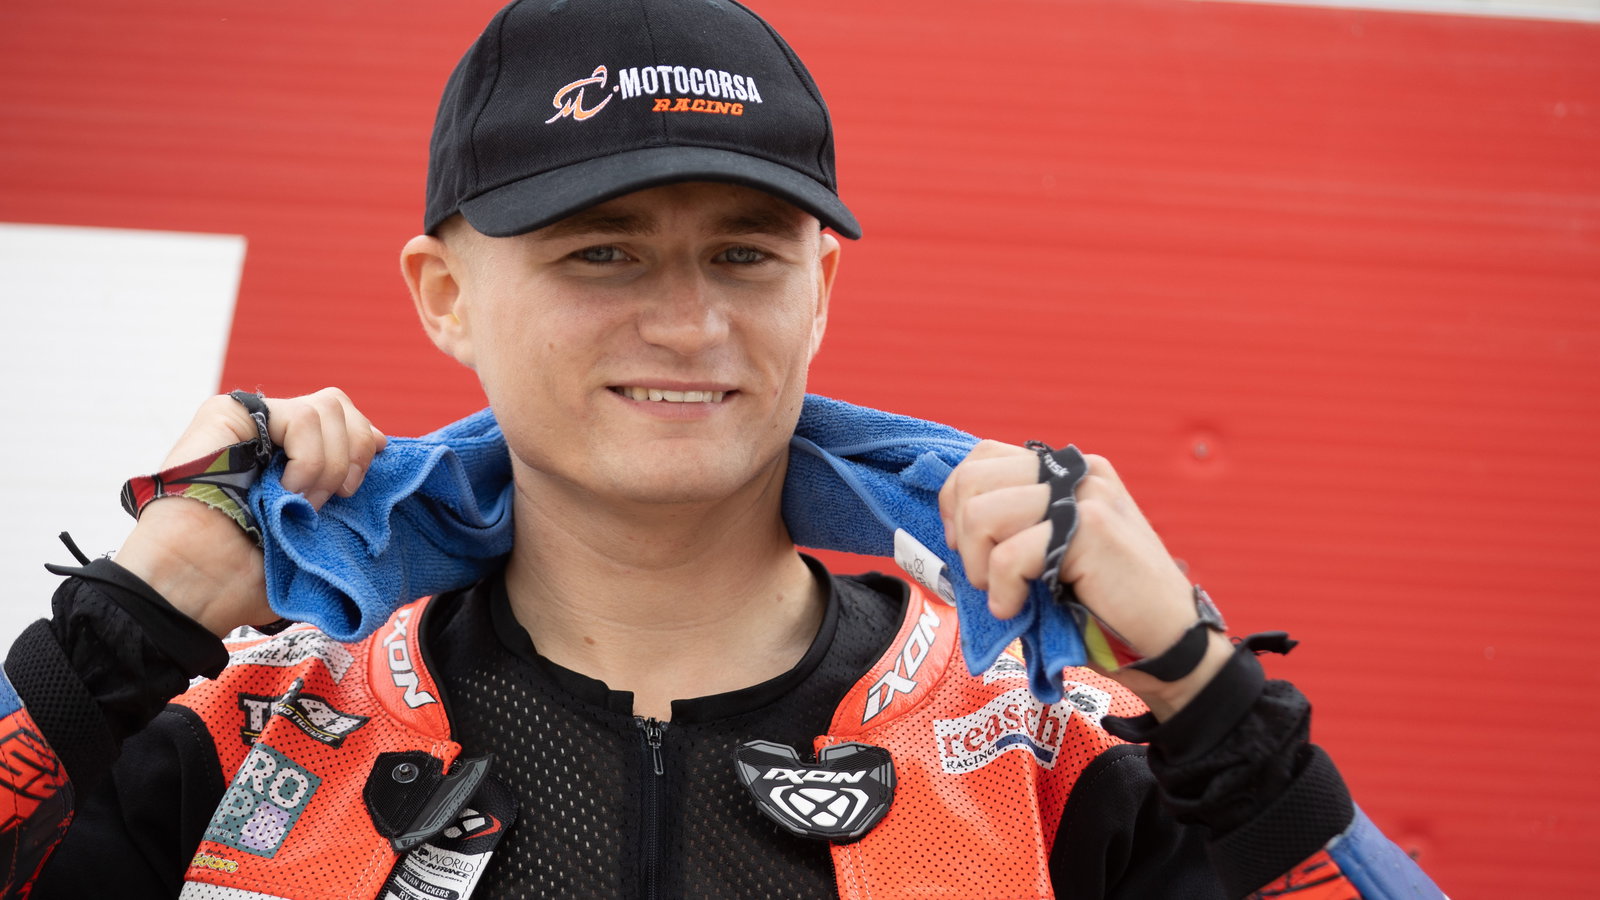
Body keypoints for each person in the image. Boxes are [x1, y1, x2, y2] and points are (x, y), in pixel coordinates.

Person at [0, 1, 1444, 898]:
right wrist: (127, 623)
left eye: (746, 254)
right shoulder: (258, 730)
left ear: (822, 291)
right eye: (604, 251)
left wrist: (1202, 691)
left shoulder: (1035, 756)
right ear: (444, 297)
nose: (690, 323)